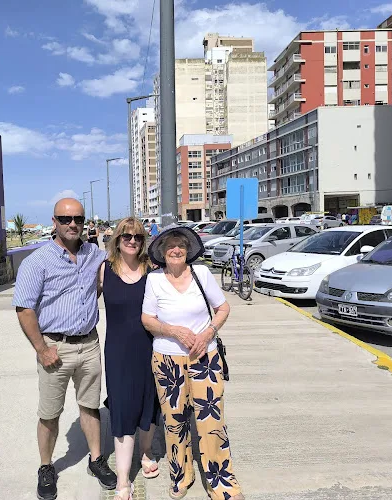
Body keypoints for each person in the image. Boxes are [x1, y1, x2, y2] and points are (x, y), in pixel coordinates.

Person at [13, 198, 117, 500]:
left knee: (90, 406)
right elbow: (24, 309)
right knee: (49, 413)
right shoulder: (37, 261)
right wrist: (41, 349)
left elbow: (124, 260)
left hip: (89, 344)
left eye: (78, 219)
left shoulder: (94, 255)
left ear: (85, 222)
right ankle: (46, 467)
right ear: (54, 221)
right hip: (55, 347)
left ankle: (96, 459)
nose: (72, 224)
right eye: (65, 219)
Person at [141, 226, 244, 500]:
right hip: (167, 360)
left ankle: (221, 482)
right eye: (170, 246)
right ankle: (181, 476)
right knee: (174, 422)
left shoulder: (202, 273)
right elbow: (147, 319)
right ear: (162, 251)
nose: (176, 250)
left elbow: (223, 308)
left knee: (212, 421)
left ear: (188, 251)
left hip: (205, 358)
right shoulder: (154, 279)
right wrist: (172, 331)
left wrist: (208, 333)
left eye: (181, 246)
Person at [98, 217, 160, 500]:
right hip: (118, 351)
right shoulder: (104, 269)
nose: (132, 241)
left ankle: (146, 451)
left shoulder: (152, 270)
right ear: (117, 239)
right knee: (122, 408)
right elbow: (81, 298)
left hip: (150, 347)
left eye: (137, 237)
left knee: (149, 403)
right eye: (127, 236)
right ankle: (123, 478)